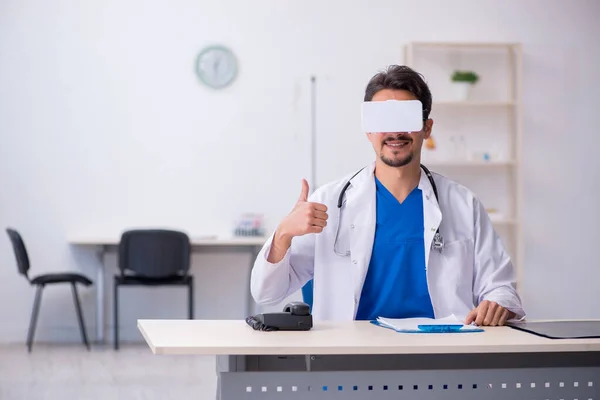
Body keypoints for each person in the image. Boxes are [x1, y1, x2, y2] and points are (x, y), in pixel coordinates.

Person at [250, 65, 525, 326]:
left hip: (442, 359)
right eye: (383, 121)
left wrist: (497, 304)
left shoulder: (463, 204)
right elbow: (266, 292)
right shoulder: (329, 203)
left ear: (427, 128)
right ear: (368, 130)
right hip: (351, 364)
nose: (395, 132)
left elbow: (501, 287)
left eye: (405, 120)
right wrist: (284, 233)